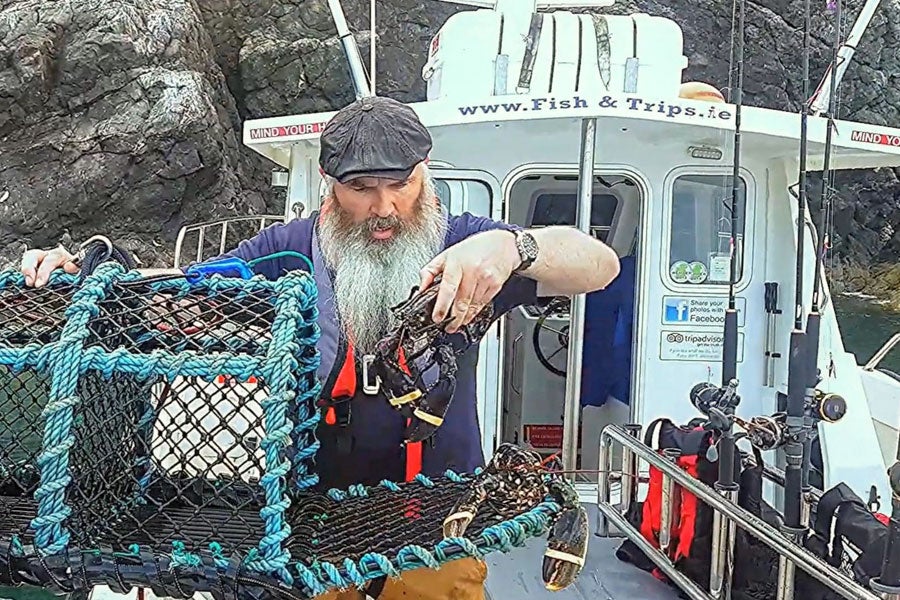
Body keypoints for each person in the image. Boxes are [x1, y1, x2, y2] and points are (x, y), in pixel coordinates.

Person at [20, 96, 621, 599]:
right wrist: (90, 271)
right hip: (313, 527)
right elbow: (181, 296)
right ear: (331, 188)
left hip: (440, 523)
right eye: (362, 188)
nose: (384, 208)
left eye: (401, 184)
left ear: (425, 175)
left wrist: (515, 247)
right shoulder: (288, 250)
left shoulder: (468, 243)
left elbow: (599, 265)